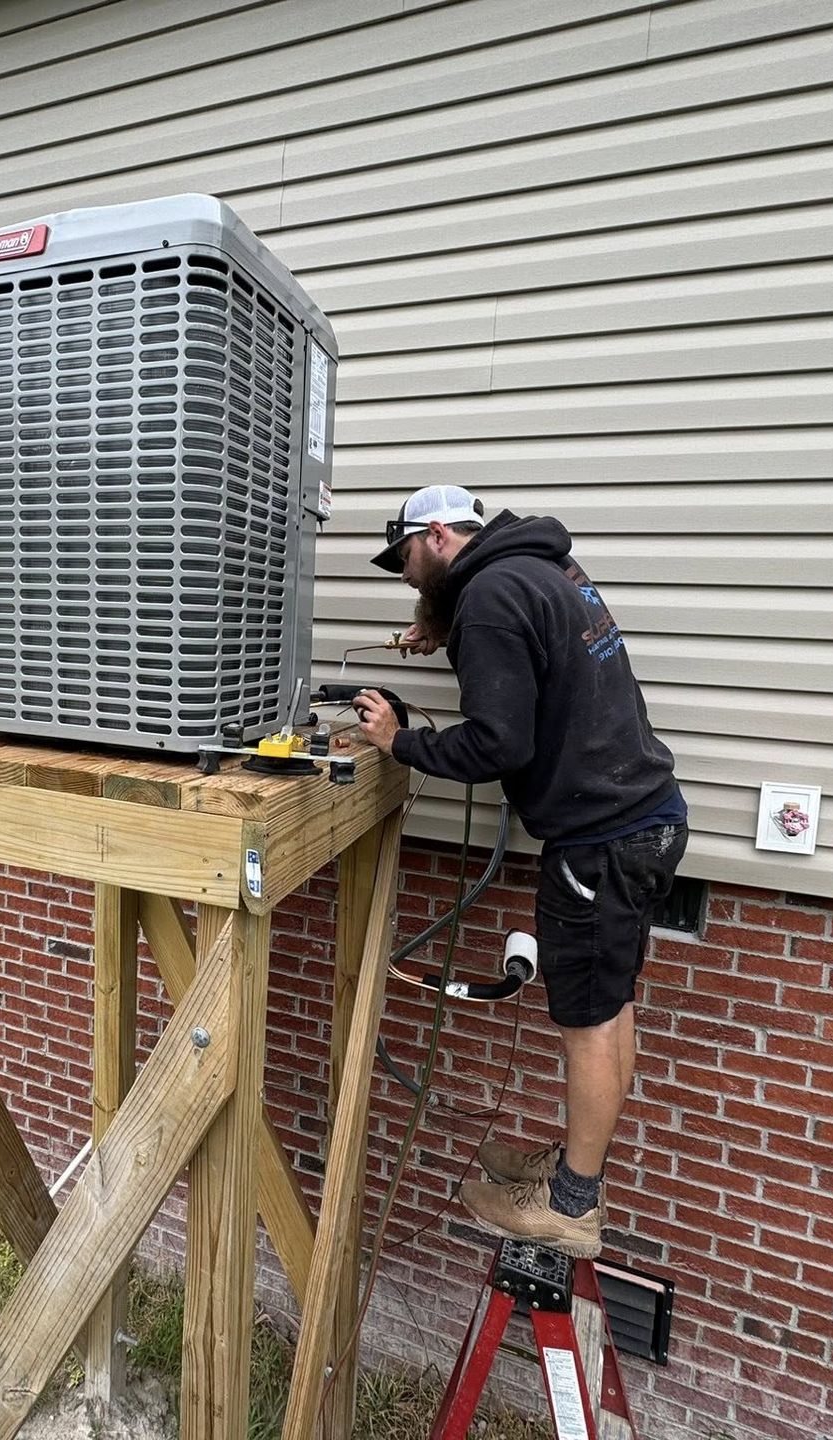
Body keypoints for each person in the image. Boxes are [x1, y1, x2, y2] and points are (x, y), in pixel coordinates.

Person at [349, 484, 687, 1258]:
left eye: (404, 559)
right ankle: (576, 1165)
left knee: (588, 1022)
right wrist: (443, 624)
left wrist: (399, 742)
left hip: (598, 841)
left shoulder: (492, 603)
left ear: (436, 536)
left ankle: (571, 1204)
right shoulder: (545, 567)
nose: (403, 577)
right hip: (645, 820)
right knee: (610, 1005)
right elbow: (531, 648)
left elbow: (500, 746)